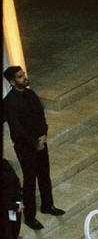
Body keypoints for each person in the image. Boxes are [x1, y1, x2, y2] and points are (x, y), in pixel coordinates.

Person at [3, 65, 65, 229]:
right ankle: (30, 217)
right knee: (30, 181)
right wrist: (34, 143)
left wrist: (44, 135)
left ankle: (47, 205)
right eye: (20, 77)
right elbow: (17, 129)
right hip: (26, 147)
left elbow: (41, 115)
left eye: (23, 75)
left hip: (40, 141)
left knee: (44, 175)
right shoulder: (9, 102)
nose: (24, 78)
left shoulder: (31, 94)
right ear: (12, 81)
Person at [2, 157, 29, 239]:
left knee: (14, 233)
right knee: (7, 238)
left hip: (14, 206)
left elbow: (15, 180)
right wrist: (13, 205)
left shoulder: (4, 163)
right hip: (4, 209)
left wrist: (18, 200)